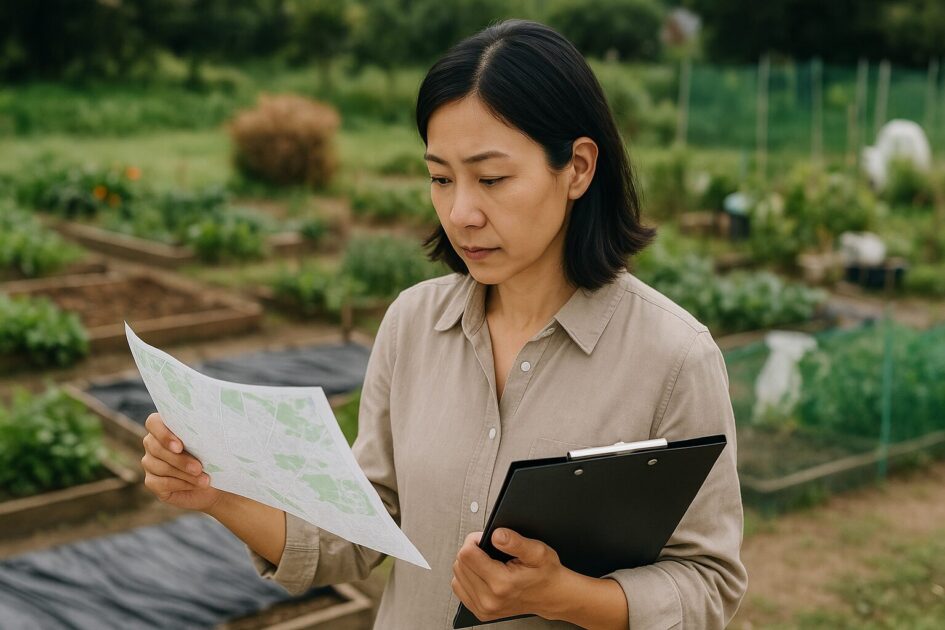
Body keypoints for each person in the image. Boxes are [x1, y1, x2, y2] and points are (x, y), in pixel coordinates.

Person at [140, 19, 747, 629]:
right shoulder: (412, 324)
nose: (461, 213)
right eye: (439, 177)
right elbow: (360, 531)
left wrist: (563, 595)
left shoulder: (673, 358)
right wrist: (215, 492)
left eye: (491, 179)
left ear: (578, 169)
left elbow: (708, 585)